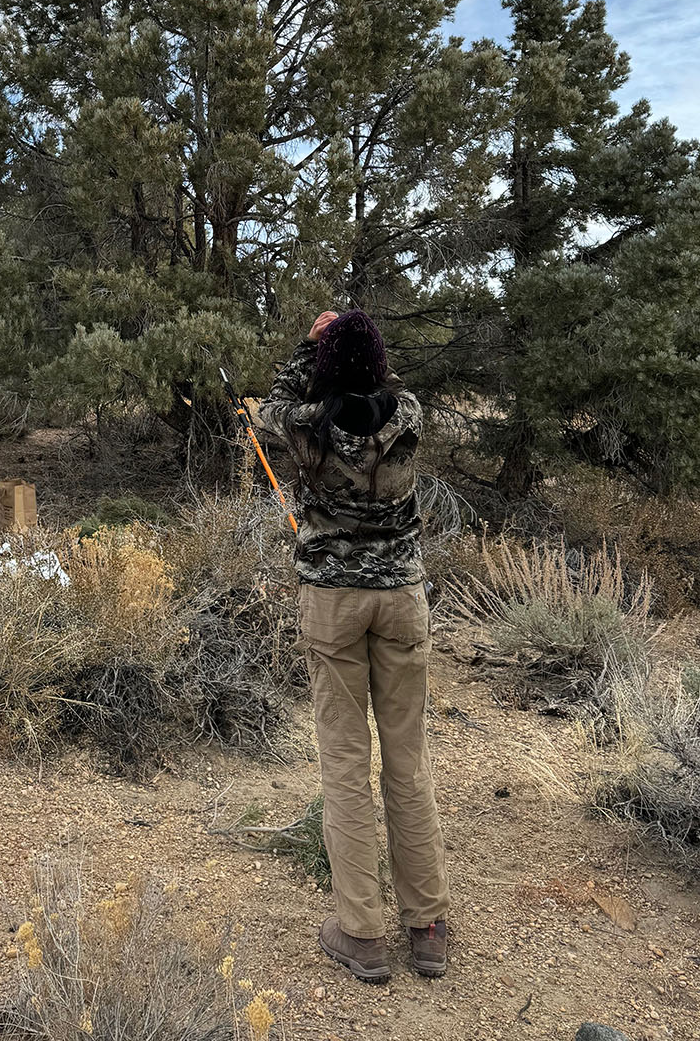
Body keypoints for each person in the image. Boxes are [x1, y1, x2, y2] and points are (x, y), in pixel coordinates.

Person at [257, 309, 450, 985]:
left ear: (326, 368)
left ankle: (362, 934)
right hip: (402, 596)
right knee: (408, 761)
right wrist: (355, 344)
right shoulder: (413, 414)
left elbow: (273, 402)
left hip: (334, 600)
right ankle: (426, 927)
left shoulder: (306, 425)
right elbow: (379, 380)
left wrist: (311, 342)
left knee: (344, 763)